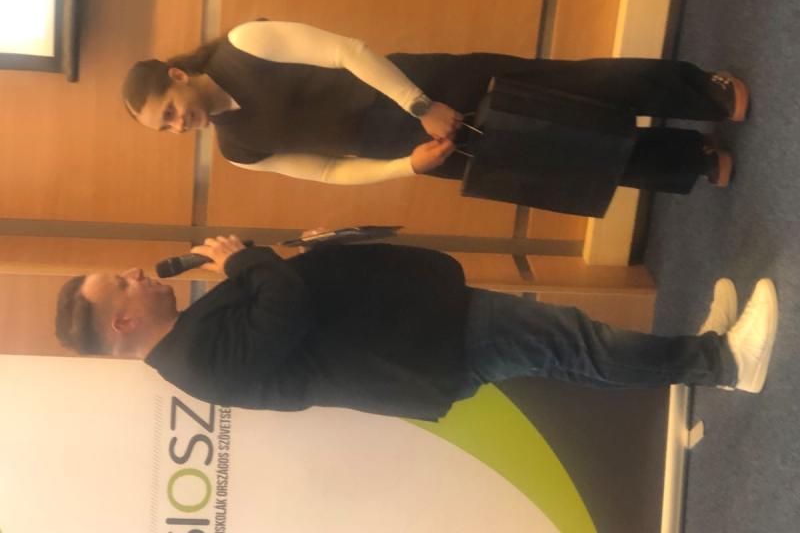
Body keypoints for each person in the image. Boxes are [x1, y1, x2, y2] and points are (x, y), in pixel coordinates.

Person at [54, 236, 778, 421]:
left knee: (567, 343)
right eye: (123, 283)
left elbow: (283, 298)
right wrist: (245, 261)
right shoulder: (197, 364)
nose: (138, 273)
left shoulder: (190, 339)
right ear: (122, 320)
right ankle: (722, 363)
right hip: (426, 345)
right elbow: (286, 310)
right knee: (574, 344)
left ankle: (697, 355)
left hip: (420, 327)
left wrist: (282, 257)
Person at [122, 21, 744, 203]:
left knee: (576, 90)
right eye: (166, 129)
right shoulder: (238, 149)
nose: (179, 126)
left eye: (170, 111)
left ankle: (701, 93)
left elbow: (346, 52)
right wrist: (409, 167)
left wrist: (420, 105)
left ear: (177, 75)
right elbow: (329, 171)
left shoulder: (244, 44)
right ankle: (689, 159)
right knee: (556, 159)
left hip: (426, 86)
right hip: (417, 148)